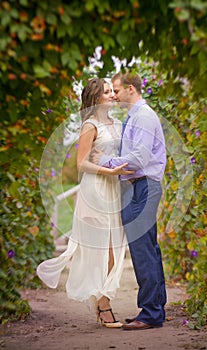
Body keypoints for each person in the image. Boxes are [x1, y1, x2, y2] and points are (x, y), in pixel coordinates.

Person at [37, 77, 134, 328]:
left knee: (115, 250)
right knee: (105, 250)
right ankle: (104, 306)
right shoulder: (90, 125)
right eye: (107, 92)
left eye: (113, 90)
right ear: (95, 98)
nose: (113, 95)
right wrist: (108, 171)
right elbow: (81, 164)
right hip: (96, 190)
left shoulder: (117, 123)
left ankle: (99, 299)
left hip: (114, 190)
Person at [97, 70, 167, 330]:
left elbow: (138, 159)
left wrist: (104, 163)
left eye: (116, 90)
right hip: (140, 187)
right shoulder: (135, 117)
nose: (114, 95)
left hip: (144, 187)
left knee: (142, 251)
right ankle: (156, 308)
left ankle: (150, 314)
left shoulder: (144, 117)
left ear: (130, 89)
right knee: (149, 248)